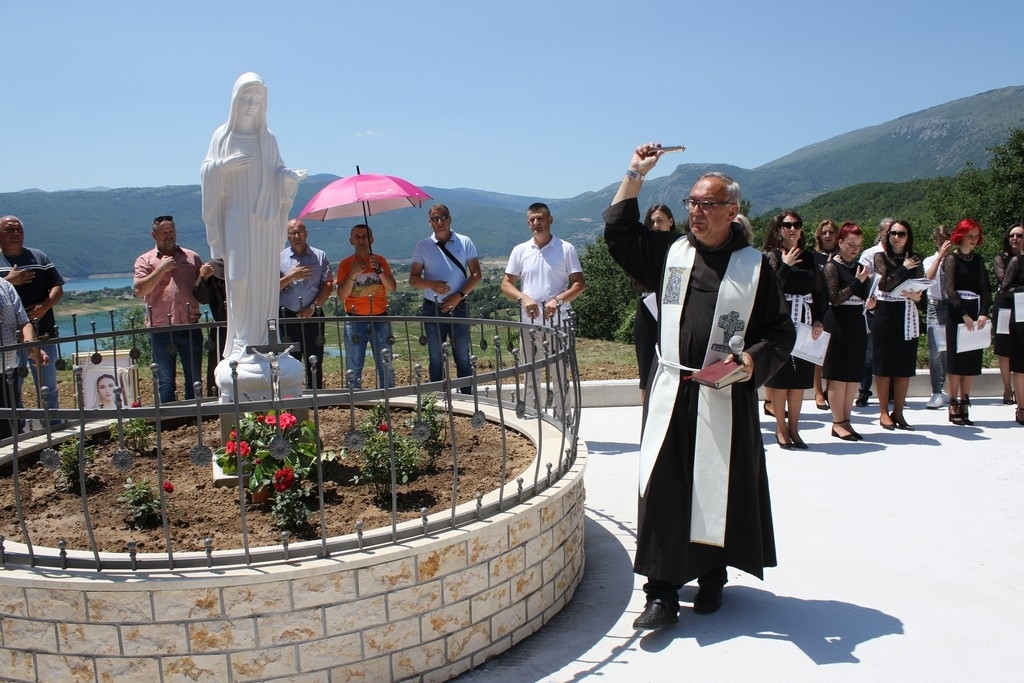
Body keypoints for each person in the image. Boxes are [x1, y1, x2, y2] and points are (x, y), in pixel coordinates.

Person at [604, 144, 794, 630]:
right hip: (672, 388)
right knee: (663, 486)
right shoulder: (671, 253)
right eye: (692, 202)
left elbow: (779, 331)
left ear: (733, 210)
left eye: (707, 204)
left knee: (717, 483)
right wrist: (634, 173)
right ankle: (661, 592)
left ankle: (712, 575)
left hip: (723, 393)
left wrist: (751, 361)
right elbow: (619, 233)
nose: (696, 211)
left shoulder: (755, 267)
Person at [200, 71, 307, 398]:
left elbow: (277, 174)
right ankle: (243, 342)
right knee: (240, 277)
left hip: (263, 223)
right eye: (246, 98)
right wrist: (223, 168)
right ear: (236, 100)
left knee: (262, 279)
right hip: (236, 218)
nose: (251, 104)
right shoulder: (222, 136)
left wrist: (288, 179)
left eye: (257, 100)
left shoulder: (267, 139)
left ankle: (264, 338)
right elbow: (206, 173)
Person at [500, 202, 587, 416]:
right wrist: (524, 298)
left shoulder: (566, 249)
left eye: (540, 218)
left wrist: (557, 300)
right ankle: (531, 418)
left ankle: (563, 419)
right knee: (530, 374)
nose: (536, 222)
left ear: (550, 220)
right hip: (528, 324)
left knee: (560, 375)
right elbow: (506, 284)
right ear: (528, 223)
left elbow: (579, 284)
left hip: (558, 324)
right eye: (532, 219)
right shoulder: (520, 250)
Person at [761, 210, 826, 449]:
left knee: (799, 381)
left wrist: (819, 320)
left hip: (805, 321)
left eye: (796, 225)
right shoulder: (771, 256)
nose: (792, 229)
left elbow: (819, 291)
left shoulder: (809, 257)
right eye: (787, 225)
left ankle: (795, 429)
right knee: (781, 379)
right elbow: (768, 290)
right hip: (780, 321)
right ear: (778, 229)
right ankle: (781, 428)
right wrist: (785, 266)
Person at [410, 204, 482, 394]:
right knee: (435, 357)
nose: (440, 222)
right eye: (435, 219)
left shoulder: (465, 242)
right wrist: (431, 284)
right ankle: (438, 398)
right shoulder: (423, 246)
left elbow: (476, 274)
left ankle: (466, 398)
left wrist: (458, 296)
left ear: (450, 219)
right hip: (432, 307)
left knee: (462, 356)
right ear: (430, 222)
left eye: (443, 217)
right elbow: (413, 279)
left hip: (459, 306)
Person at [133, 215, 204, 403]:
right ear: (154, 235)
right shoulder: (145, 260)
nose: (169, 235)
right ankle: (169, 418)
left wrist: (205, 276)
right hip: (161, 329)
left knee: (194, 378)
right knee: (165, 381)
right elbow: (140, 289)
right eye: (164, 232)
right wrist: (161, 270)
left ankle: (194, 415)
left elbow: (203, 288)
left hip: (190, 326)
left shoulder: (192, 257)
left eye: (171, 231)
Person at [0, 215, 64, 421]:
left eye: (18, 229)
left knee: (48, 385)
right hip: (9, 339)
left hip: (43, 332)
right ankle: (17, 428)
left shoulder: (39, 257)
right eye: (9, 229)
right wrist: (9, 280)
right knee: (12, 388)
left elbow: (57, 287)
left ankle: (52, 424)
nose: (15, 233)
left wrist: (44, 307)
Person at [822, 222, 874, 440]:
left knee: (853, 375)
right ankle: (837, 422)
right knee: (838, 375)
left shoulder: (860, 267)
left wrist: (871, 302)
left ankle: (847, 420)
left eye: (859, 245)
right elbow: (835, 298)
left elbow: (864, 294)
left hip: (857, 323)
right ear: (841, 242)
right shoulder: (832, 267)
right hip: (837, 324)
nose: (855, 249)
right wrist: (857, 281)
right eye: (851, 244)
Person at [871, 219, 923, 431]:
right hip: (885, 312)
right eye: (893, 233)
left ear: (908, 236)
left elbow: (920, 285)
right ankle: (884, 411)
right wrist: (904, 268)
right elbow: (885, 284)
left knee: (904, 366)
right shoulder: (880, 257)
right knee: (883, 366)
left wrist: (918, 295)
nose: (896, 237)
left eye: (901, 234)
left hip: (907, 312)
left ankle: (899, 412)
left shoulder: (915, 258)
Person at [942, 218, 991, 426]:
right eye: (969, 236)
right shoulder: (952, 259)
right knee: (956, 360)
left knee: (971, 359)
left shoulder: (978, 260)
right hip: (957, 313)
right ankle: (953, 401)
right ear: (960, 236)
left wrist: (983, 312)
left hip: (975, 311)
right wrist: (963, 314)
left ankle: (965, 400)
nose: (973, 240)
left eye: (976, 236)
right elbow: (949, 289)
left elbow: (985, 288)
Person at [336, 224, 397, 389]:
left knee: (386, 364)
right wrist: (352, 274)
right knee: (354, 364)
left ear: (371, 240)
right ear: (351, 241)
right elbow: (341, 295)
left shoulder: (380, 261)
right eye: (357, 236)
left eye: (365, 236)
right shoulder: (345, 264)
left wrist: (380, 270)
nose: (361, 240)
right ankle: (353, 395)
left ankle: (388, 395)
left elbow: (392, 287)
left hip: (380, 318)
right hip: (355, 320)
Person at [279, 219, 333, 390]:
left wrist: (313, 307)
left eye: (300, 232)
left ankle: (315, 394)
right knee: (289, 360)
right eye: (293, 233)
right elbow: (271, 288)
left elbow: (328, 284)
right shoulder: (279, 258)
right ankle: (291, 395)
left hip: (313, 314)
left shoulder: (320, 256)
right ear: (287, 236)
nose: (297, 236)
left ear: (306, 234)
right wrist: (291, 277)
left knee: (315, 358)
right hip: (287, 316)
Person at [630, 205, 676, 403]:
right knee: (647, 366)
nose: (656, 225)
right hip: (648, 308)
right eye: (652, 222)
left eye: (660, 220)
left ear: (670, 221)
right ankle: (647, 413)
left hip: (674, 310)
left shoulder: (682, 247)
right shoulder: (643, 249)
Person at [0, 277, 48, 438]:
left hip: (8, 371)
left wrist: (31, 347)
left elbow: (23, 323)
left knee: (9, 427)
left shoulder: (4, 286)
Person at [855, 217, 893, 406]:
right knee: (869, 354)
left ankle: (891, 392)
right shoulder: (870, 254)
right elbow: (861, 279)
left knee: (890, 351)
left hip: (892, 307)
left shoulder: (899, 255)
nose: (891, 235)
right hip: (872, 307)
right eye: (888, 231)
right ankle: (864, 391)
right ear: (880, 233)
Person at [922, 225, 953, 409]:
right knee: (936, 351)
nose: (945, 246)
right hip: (935, 306)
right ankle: (935, 391)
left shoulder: (955, 260)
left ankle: (943, 388)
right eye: (941, 243)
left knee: (949, 350)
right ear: (936, 242)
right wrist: (940, 256)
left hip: (952, 306)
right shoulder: (930, 260)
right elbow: (927, 279)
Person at [993, 224, 1024, 404]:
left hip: (1022, 306)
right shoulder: (1001, 258)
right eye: (1012, 235)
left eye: (1019, 235)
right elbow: (1004, 283)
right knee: (1004, 348)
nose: (1015, 238)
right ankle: (1007, 388)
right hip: (1005, 306)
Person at [811, 219, 839, 410]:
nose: (828, 236)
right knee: (818, 353)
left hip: (838, 310)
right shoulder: (813, 257)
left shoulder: (841, 257)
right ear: (819, 236)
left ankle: (830, 390)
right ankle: (818, 391)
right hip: (820, 309)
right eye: (824, 232)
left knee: (834, 353)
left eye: (831, 232)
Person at [192, 258, 227, 397]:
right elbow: (203, 298)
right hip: (222, 327)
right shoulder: (214, 267)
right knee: (218, 365)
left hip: (247, 325)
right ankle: (217, 397)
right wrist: (204, 278)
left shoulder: (251, 262)